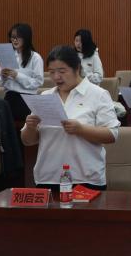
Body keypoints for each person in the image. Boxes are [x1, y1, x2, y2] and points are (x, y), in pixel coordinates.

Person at [21, 45, 119, 190]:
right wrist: (30, 127)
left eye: (62, 71)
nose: (56, 77)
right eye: (51, 72)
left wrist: (81, 129)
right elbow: (27, 141)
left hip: (85, 178)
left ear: (77, 68)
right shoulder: (45, 96)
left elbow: (112, 135)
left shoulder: (98, 94)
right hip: (48, 177)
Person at [0, 23, 44, 121]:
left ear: (26, 38)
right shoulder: (7, 55)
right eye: (12, 37)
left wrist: (17, 76)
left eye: (18, 37)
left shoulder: (35, 57)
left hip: (27, 99)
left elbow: (38, 82)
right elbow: (1, 83)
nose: (15, 40)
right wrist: (3, 76)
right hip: (10, 97)